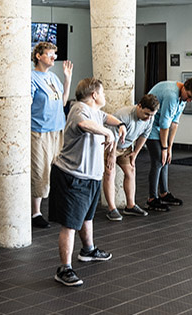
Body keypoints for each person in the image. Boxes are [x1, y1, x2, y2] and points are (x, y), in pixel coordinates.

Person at [49, 78, 126, 286]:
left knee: (87, 217)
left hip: (90, 176)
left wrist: (118, 124)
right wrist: (106, 132)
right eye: (102, 92)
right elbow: (85, 125)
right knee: (70, 224)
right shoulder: (78, 109)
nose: (104, 96)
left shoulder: (94, 111)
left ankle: (88, 250)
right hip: (72, 175)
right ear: (94, 95)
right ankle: (64, 269)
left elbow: (104, 117)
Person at [144, 77, 192, 212]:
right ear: (184, 87)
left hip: (160, 127)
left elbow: (174, 123)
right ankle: (152, 199)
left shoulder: (182, 98)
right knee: (159, 159)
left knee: (165, 159)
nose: (189, 100)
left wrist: (170, 147)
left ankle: (164, 193)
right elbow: (164, 125)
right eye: (189, 97)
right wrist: (164, 148)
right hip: (150, 126)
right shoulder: (171, 95)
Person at [29, 42, 73, 229]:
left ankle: (56, 207)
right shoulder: (31, 77)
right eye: (49, 54)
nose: (53, 58)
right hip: (39, 130)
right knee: (40, 170)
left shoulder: (54, 77)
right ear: (38, 56)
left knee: (57, 170)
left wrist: (67, 79)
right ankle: (35, 212)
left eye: (55, 55)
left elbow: (63, 101)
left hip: (58, 129)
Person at [103, 94, 159, 221]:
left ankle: (130, 206)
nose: (148, 118)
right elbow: (112, 136)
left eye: (151, 115)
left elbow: (144, 136)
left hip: (126, 147)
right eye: (146, 114)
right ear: (139, 106)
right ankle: (112, 209)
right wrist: (111, 155)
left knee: (131, 171)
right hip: (110, 145)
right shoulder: (124, 115)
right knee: (109, 173)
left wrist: (135, 153)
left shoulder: (149, 119)